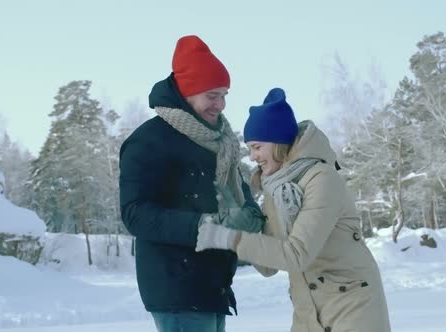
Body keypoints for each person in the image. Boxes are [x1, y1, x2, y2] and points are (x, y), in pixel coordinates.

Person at [196, 88, 392, 332]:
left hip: (351, 308)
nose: (253, 156)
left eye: (257, 147)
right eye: (250, 149)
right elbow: (269, 268)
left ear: (277, 142)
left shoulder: (321, 178)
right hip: (308, 311)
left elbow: (297, 255)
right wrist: (245, 228)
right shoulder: (276, 188)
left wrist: (228, 239)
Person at [119, 35, 264, 332]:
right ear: (188, 91)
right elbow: (135, 214)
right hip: (176, 285)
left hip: (214, 284)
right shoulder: (149, 140)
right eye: (212, 95)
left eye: (225, 95)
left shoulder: (220, 142)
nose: (221, 105)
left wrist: (248, 216)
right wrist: (205, 224)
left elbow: (241, 193)